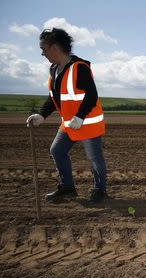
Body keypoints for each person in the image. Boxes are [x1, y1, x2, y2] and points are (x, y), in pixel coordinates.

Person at [26, 28, 107, 203]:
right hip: (70, 123)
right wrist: (41, 115)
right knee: (57, 150)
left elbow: (91, 95)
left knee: (94, 158)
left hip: (88, 122)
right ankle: (67, 188)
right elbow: (55, 97)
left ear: (55, 47)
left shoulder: (80, 68)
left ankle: (100, 190)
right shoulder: (54, 70)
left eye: (44, 49)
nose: (42, 53)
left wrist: (80, 116)